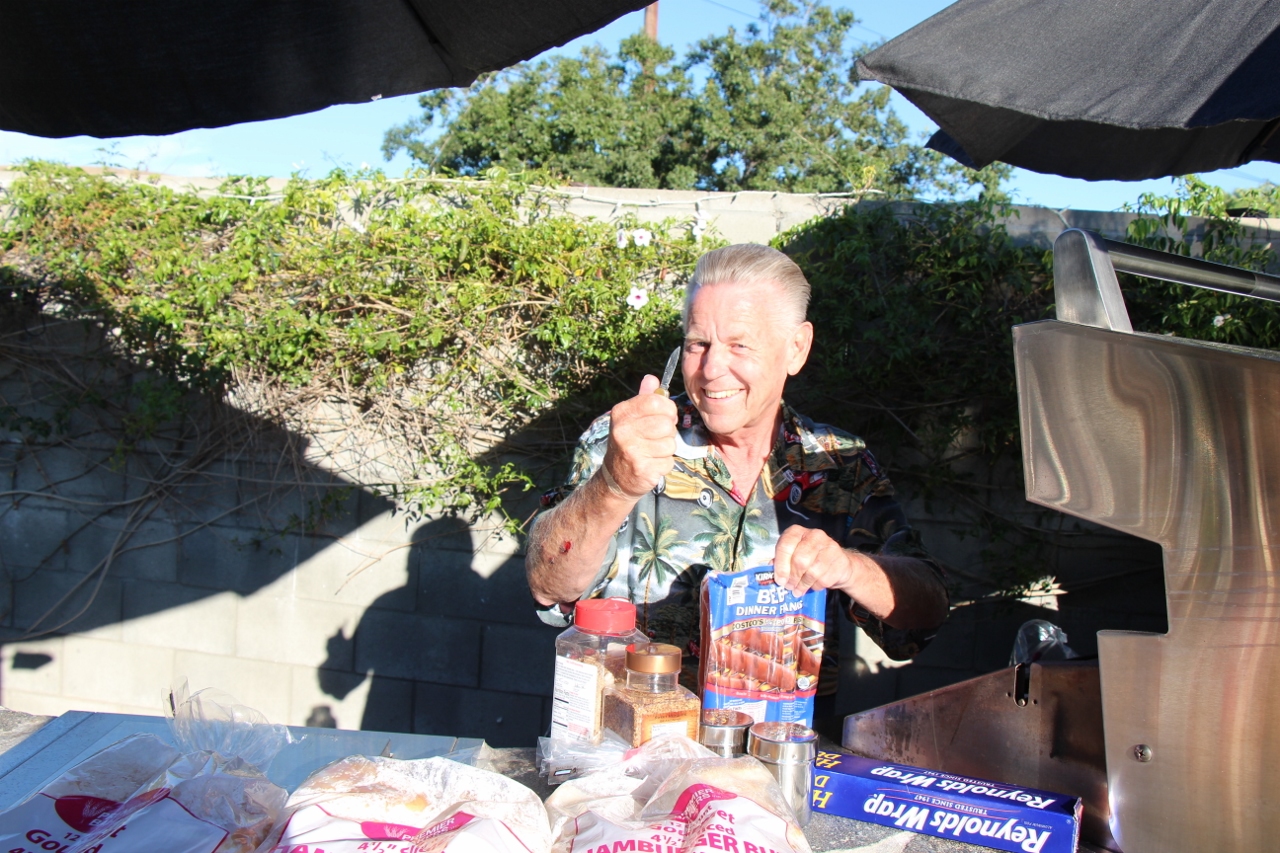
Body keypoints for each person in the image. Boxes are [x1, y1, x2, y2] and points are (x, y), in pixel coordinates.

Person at [526, 244, 948, 697]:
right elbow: (547, 586)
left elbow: (925, 614)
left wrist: (846, 567)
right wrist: (613, 484)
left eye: (739, 344)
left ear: (796, 348)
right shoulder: (625, 442)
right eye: (697, 344)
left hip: (776, 760)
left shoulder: (839, 463)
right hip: (633, 753)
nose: (711, 370)